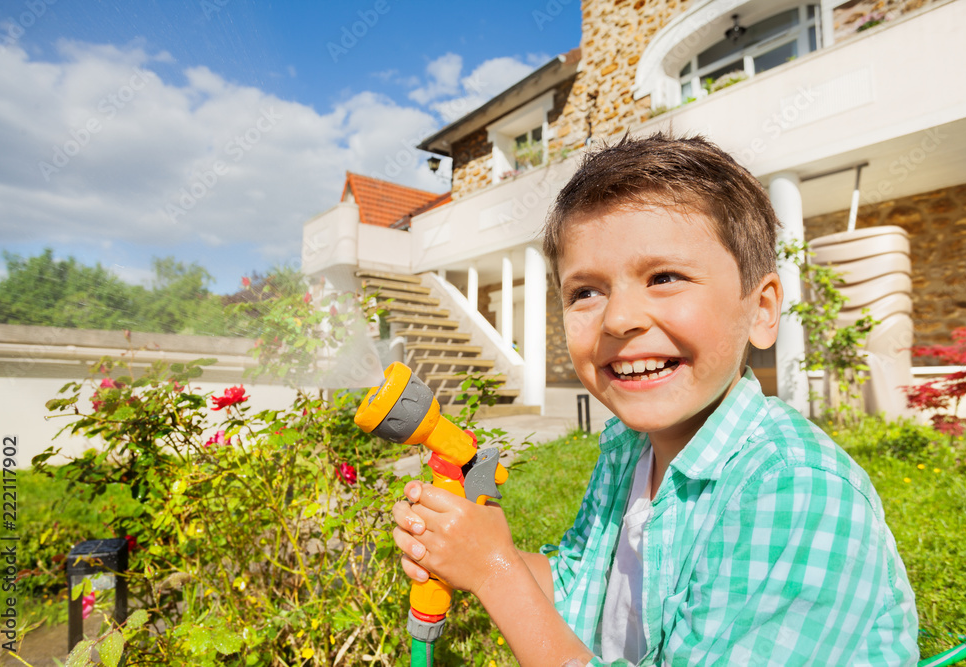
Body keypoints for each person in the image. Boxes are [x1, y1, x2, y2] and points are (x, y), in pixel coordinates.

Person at [392, 133, 919, 666]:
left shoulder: (796, 491)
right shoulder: (628, 445)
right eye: (586, 292)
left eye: (664, 277)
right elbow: (581, 586)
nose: (619, 319)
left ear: (761, 311)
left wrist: (496, 574)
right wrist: (473, 551)